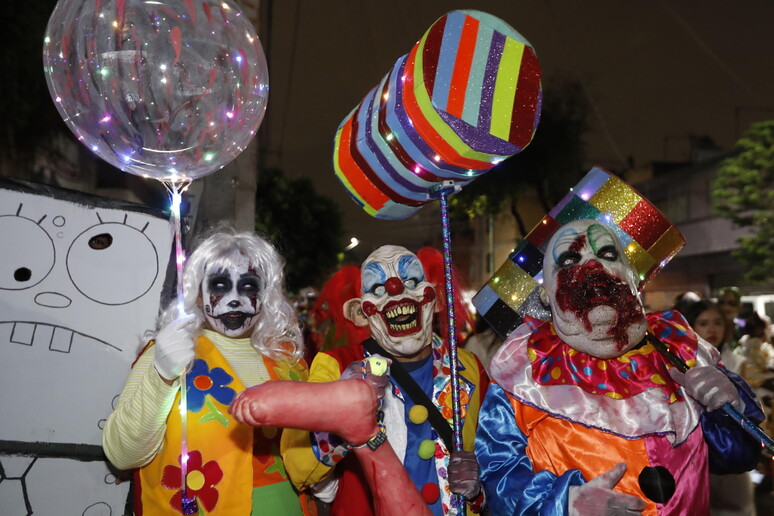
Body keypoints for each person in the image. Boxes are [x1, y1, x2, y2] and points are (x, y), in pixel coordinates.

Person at [476, 219, 764, 515]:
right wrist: (564, 505)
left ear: (632, 276)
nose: (593, 267)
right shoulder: (526, 371)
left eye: (608, 254)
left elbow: (737, 457)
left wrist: (728, 408)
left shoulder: (679, 350)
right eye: (570, 259)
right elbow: (498, 476)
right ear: (546, 295)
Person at [102, 230, 313, 515]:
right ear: (198, 294)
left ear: (266, 294)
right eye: (220, 285)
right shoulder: (169, 352)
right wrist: (161, 376)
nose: (235, 299)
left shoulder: (290, 361)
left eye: (249, 286)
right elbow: (122, 454)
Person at [281, 245, 490, 515]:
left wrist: (478, 491)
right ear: (359, 313)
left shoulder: (468, 368)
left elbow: (501, 463)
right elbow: (298, 465)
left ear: (437, 299)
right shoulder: (336, 365)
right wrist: (339, 410)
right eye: (378, 289)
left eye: (411, 281)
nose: (396, 289)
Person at [683, 299, 756, 516]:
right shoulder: (679, 365)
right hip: (693, 458)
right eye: (703, 323)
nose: (712, 329)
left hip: (732, 453)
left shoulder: (737, 362)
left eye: (717, 322)